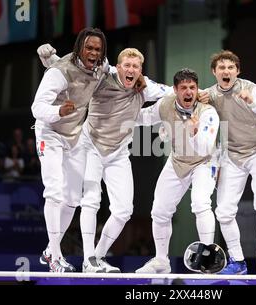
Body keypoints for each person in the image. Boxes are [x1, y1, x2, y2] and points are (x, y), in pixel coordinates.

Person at [38, 46, 175, 273]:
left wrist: (203, 96)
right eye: (127, 66)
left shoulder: (144, 86)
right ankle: (87, 258)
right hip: (89, 146)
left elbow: (174, 93)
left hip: (118, 153)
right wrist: (50, 59)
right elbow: (73, 70)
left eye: (136, 67)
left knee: (123, 210)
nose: (131, 70)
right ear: (118, 67)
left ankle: (98, 257)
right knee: (90, 201)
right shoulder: (102, 76)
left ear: (140, 70)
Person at [32, 27, 108, 272]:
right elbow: (37, 107)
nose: (93, 53)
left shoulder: (101, 67)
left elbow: (117, 72)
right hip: (50, 132)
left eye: (97, 49)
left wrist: (138, 79)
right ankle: (54, 256)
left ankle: (48, 249)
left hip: (74, 136)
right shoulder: (58, 72)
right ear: (79, 47)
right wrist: (57, 112)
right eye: (89, 48)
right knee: (54, 191)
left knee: (72, 199)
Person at [134, 68, 220, 274]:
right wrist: (118, 110)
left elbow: (203, 149)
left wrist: (194, 131)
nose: (188, 92)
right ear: (175, 90)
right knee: (160, 211)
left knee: (200, 203)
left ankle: (207, 257)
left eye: (192, 87)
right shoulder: (165, 104)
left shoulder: (208, 113)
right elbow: (143, 117)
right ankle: (161, 261)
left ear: (197, 89)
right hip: (178, 160)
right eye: (184, 88)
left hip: (205, 162)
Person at [206, 50, 256, 275]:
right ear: (214, 72)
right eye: (221, 68)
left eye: (230, 67)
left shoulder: (252, 89)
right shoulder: (208, 94)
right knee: (224, 212)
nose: (226, 71)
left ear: (237, 71)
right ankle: (237, 261)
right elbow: (182, 95)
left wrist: (254, 103)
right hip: (232, 156)